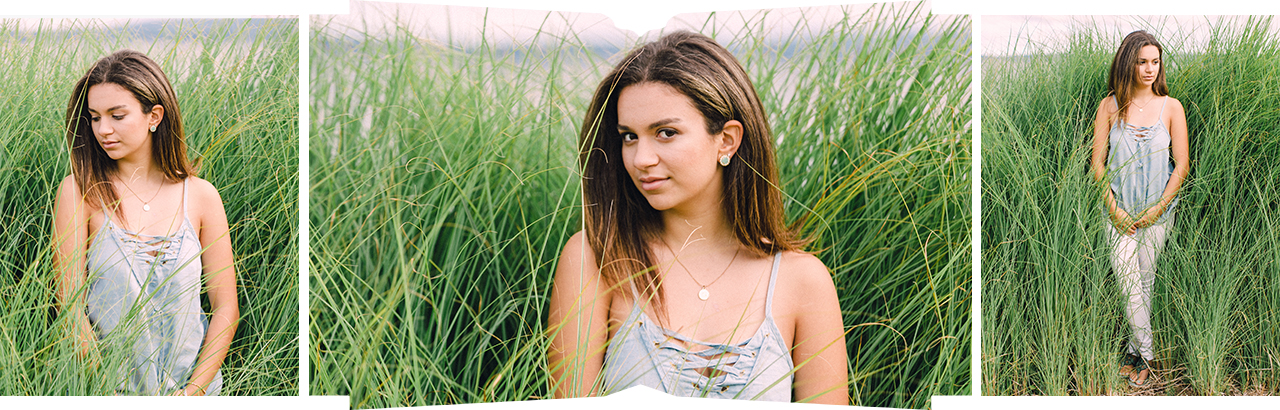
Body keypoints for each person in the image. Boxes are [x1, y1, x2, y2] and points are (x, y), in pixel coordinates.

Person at [547, 31, 848, 403]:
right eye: (629, 137)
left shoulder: (802, 281)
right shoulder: (595, 259)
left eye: (666, 133)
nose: (641, 159)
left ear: (726, 140)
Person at [52, 50, 239, 396]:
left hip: (194, 393)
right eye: (94, 118)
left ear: (154, 116)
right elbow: (69, 304)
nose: (103, 129)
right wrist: (106, 385)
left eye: (117, 115)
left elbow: (225, 307)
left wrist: (193, 393)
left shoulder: (201, 197)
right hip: (108, 390)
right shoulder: (79, 191)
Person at [1089, 30, 1190, 388]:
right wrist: (1114, 209)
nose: (1149, 69)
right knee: (1129, 282)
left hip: (1157, 211)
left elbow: (1181, 165)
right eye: (1142, 61)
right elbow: (1097, 164)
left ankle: (1135, 355)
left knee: (1144, 282)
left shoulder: (1172, 106)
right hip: (1116, 210)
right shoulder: (1109, 106)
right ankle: (1148, 356)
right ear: (1127, 62)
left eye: (1155, 61)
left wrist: (1158, 207)